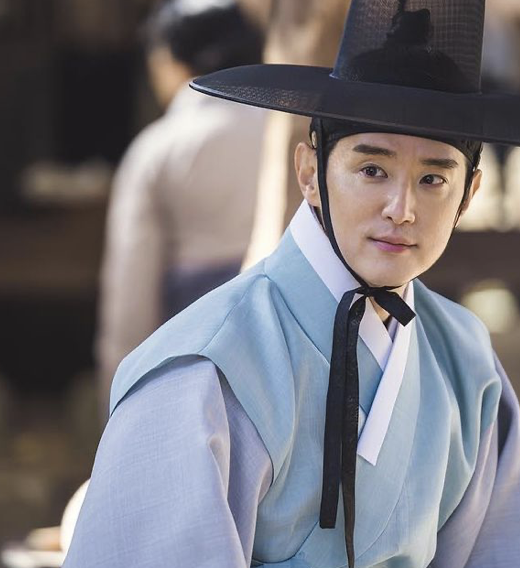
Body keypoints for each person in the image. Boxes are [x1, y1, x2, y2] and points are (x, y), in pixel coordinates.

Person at [64, 1, 520, 567]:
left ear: (469, 194)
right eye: (372, 170)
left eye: (433, 179)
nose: (402, 209)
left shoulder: (469, 364)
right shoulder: (205, 370)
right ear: (310, 172)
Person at [96, 0, 266, 409]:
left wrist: (117, 399)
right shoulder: (292, 134)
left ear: (171, 60)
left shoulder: (158, 150)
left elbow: (131, 294)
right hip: (284, 351)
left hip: (189, 361)